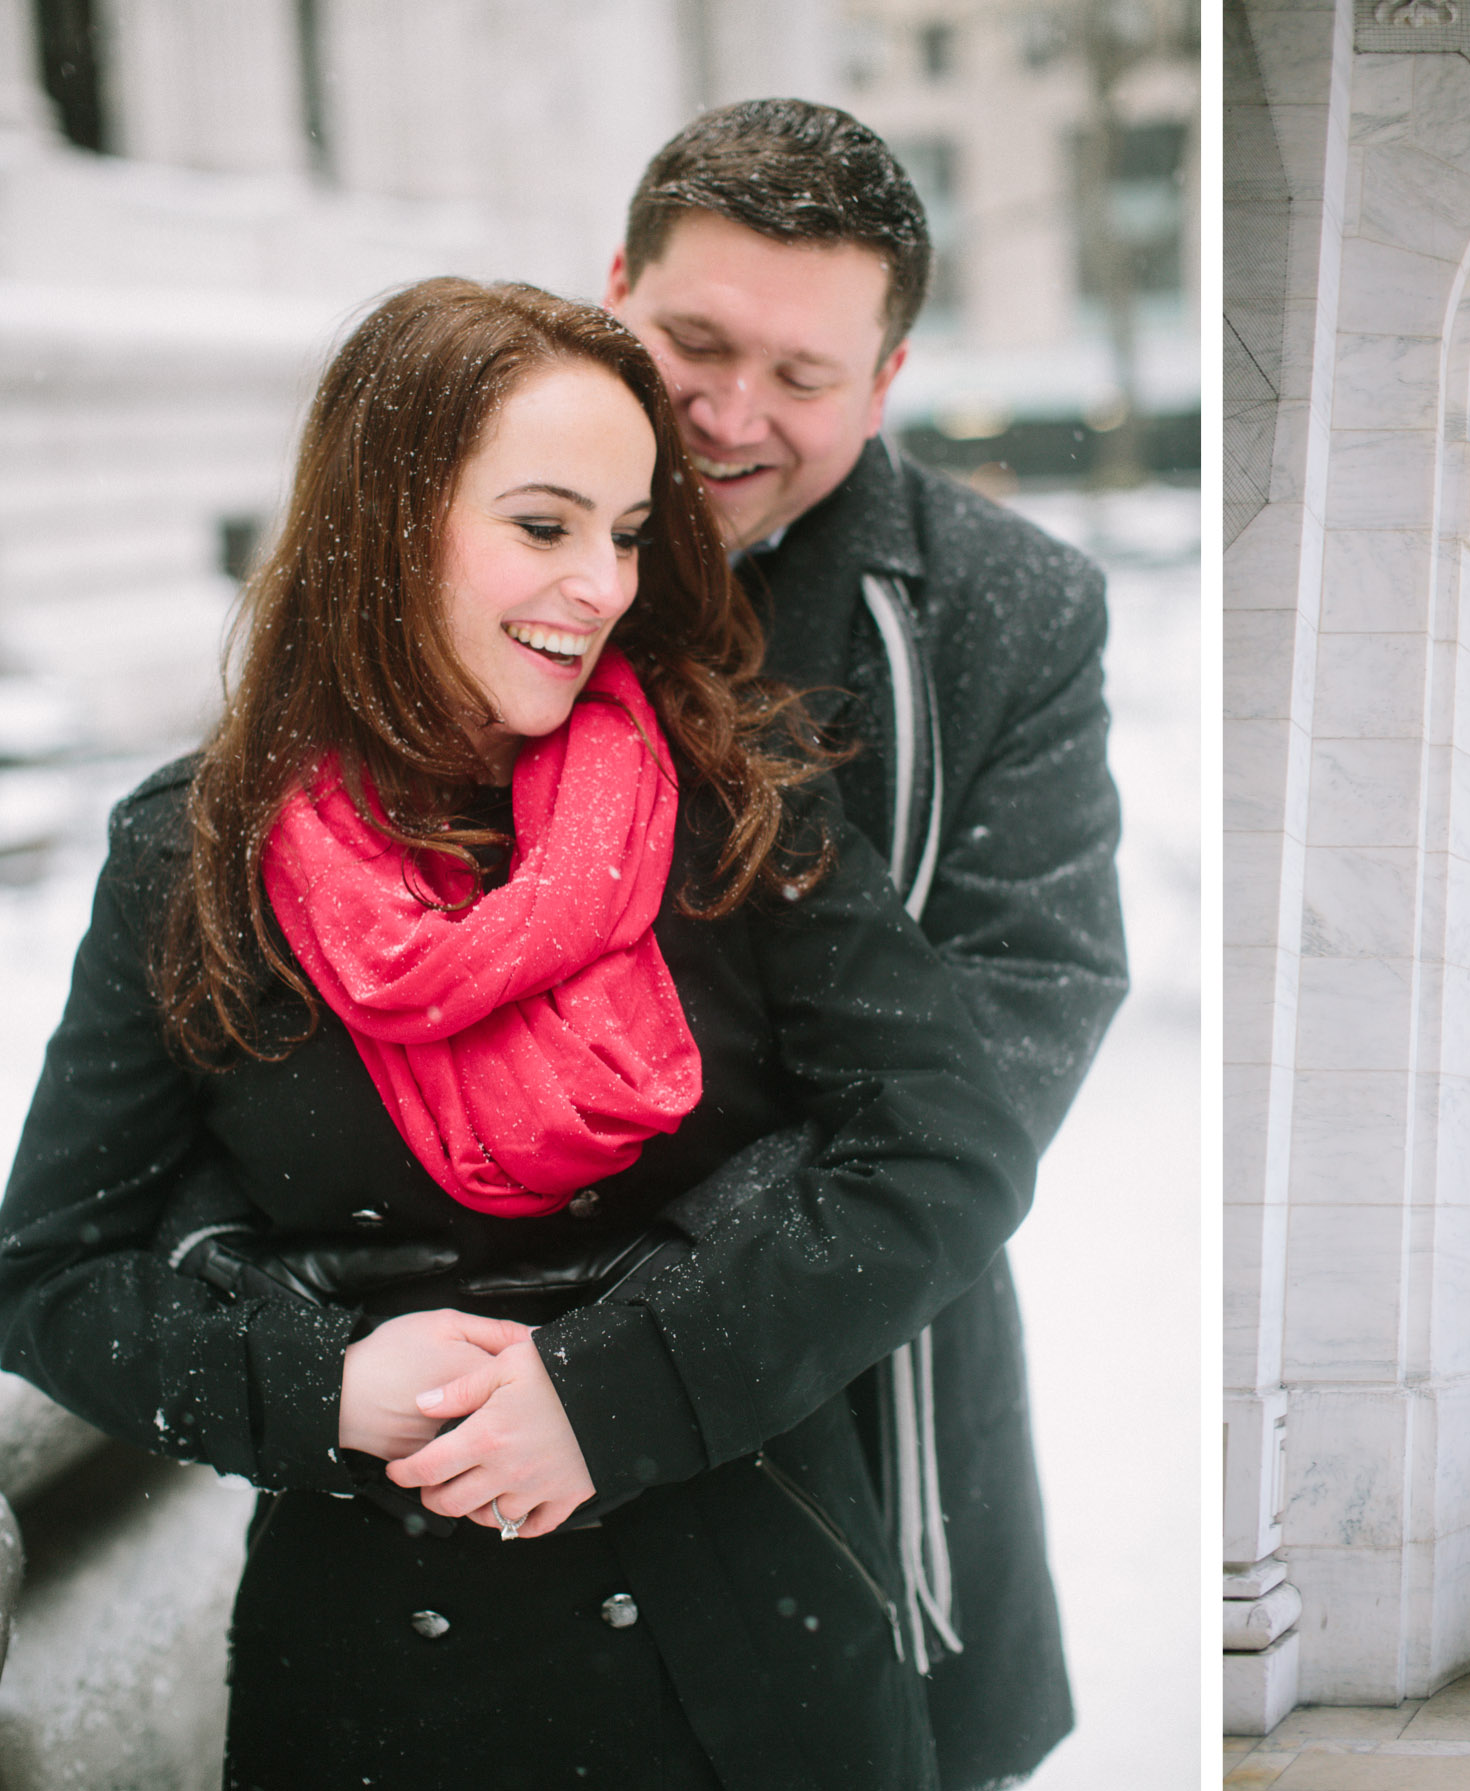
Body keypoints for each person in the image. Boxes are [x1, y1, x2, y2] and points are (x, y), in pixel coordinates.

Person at [0, 279, 1036, 1788]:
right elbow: (50, 1271)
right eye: (544, 526)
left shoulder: (730, 796)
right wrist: (327, 1380)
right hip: (377, 1662)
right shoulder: (197, 850)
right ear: (387, 516)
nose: (602, 583)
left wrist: (613, 1388)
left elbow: (948, 1145)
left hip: (749, 1634)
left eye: (624, 533)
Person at [602, 99, 1126, 1785]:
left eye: (804, 376)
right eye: (690, 340)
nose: (729, 414)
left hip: (855, 1387)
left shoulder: (1008, 609)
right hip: (482, 1434)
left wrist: (650, 1320)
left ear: (888, 379)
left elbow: (1019, 1018)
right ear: (613, 288)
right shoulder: (458, 536)